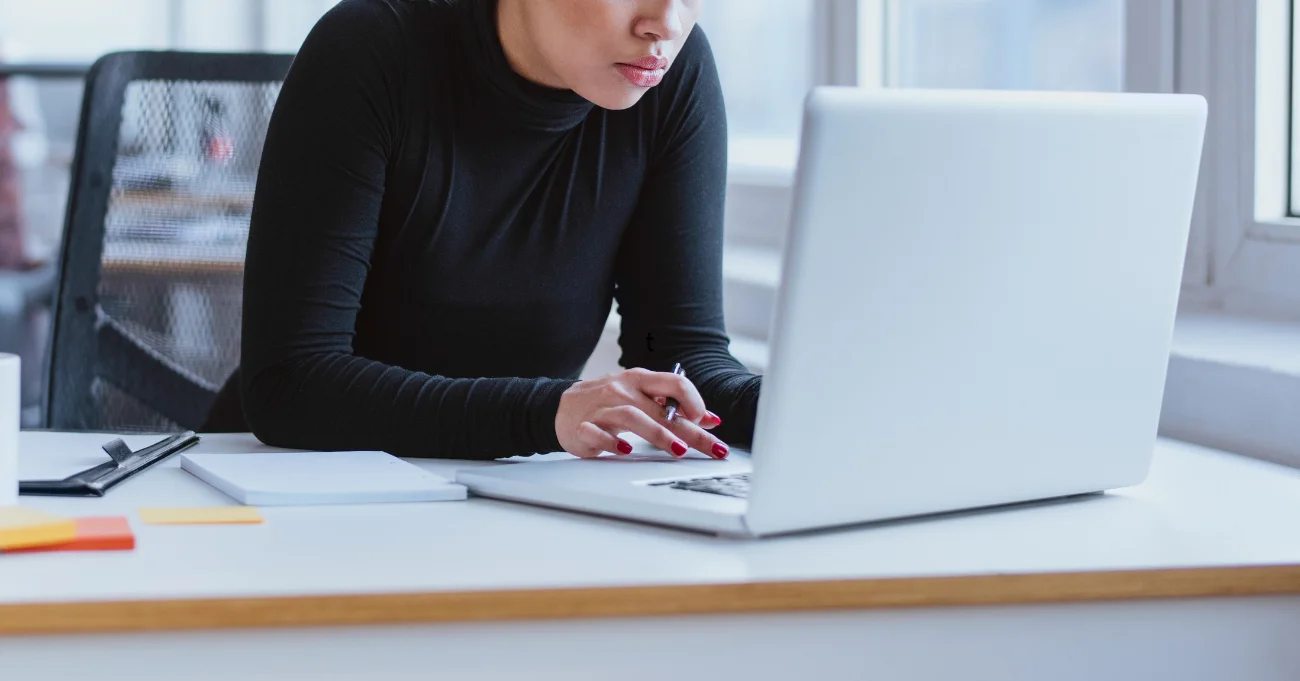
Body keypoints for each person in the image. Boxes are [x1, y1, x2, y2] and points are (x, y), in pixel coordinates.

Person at [206, 0, 763, 462]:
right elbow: (289, 384)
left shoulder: (672, 78)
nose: (666, 23)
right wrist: (547, 413)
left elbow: (680, 357)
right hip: (295, 492)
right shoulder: (370, 48)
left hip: (506, 497)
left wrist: (785, 410)